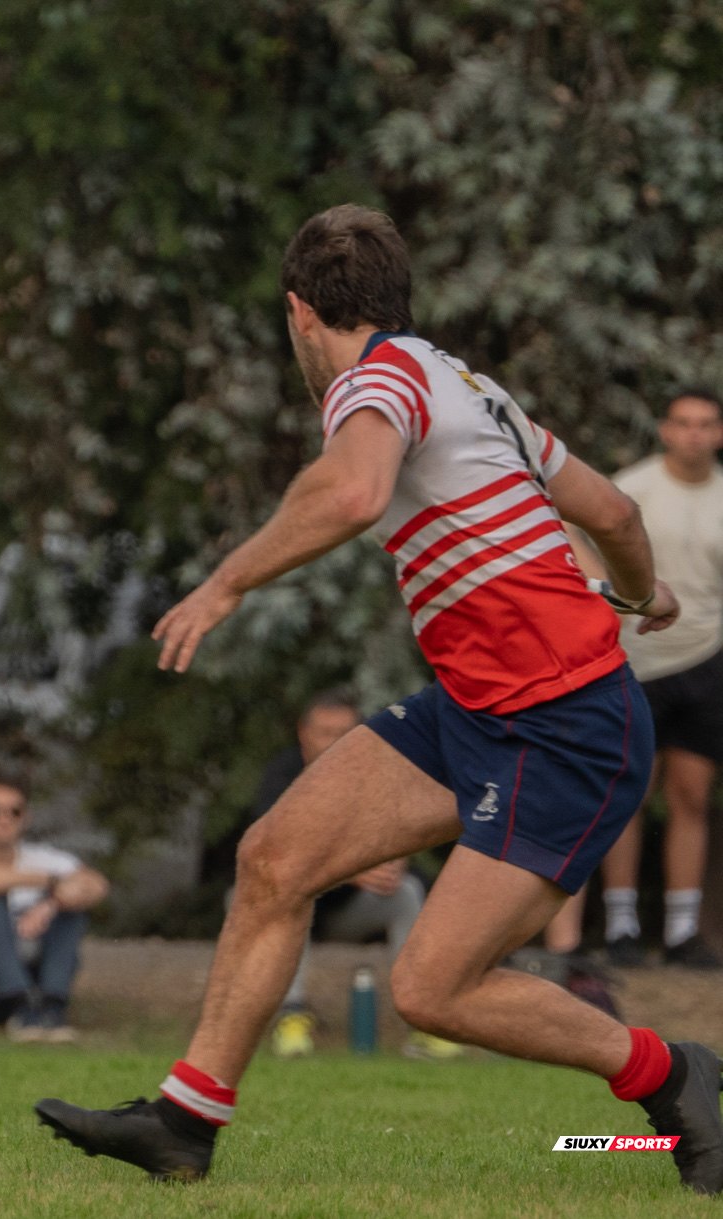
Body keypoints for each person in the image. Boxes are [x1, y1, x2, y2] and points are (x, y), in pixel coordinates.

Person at [35, 204, 723, 1194]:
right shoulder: (468, 386)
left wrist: (226, 581)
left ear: (298, 314)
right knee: (275, 857)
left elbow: (353, 493)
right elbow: (611, 509)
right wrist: (634, 589)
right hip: (478, 708)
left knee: (431, 988)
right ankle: (185, 1119)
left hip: (568, 727)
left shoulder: (379, 379)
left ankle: (670, 1071)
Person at [587, 390, 723, 969]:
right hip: (632, 660)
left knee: (691, 796)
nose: (694, 434)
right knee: (628, 793)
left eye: (706, 424)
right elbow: (582, 551)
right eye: (683, 423)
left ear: (718, 433)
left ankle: (682, 932)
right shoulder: (630, 489)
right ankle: (620, 927)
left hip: (707, 657)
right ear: (665, 429)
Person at [245, 690, 441, 1060]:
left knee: (407, 893)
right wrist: (352, 872)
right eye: (325, 733)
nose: (335, 743)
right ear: (303, 732)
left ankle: (429, 1019)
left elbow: (398, 834)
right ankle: (292, 1018)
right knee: (282, 895)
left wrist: (392, 861)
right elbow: (271, 855)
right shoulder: (281, 776)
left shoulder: (370, 776)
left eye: (345, 732)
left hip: (342, 911)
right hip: (285, 908)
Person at [0, 774, 109, 1042]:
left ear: (26, 817)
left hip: (32, 975)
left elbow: (96, 885)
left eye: (14, 811)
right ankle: (19, 1001)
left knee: (72, 908)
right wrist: (50, 882)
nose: (4, 819)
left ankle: (52, 1004)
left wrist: (52, 903)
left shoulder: (44, 856)